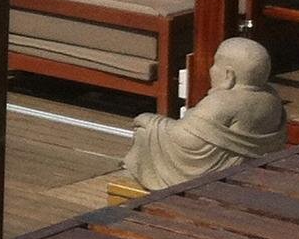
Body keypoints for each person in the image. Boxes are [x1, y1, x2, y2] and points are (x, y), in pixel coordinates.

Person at [120, 36, 287, 190]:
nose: (212, 70)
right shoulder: (272, 99)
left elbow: (185, 138)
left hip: (211, 172)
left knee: (144, 131)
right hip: (253, 166)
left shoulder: (222, 101)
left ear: (229, 75)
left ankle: (153, 178)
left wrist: (153, 124)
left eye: (215, 64)